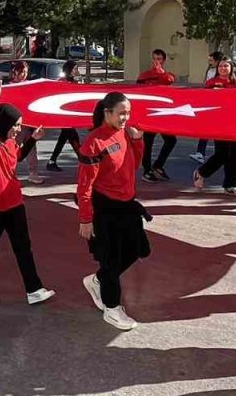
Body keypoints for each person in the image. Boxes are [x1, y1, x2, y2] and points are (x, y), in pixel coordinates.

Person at [0, 79, 54, 304]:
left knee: (23, 247)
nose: (19, 129)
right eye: (16, 124)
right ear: (4, 123)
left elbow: (18, 157)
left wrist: (32, 140)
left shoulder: (10, 143)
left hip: (14, 204)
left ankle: (34, 289)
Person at [77, 92, 148, 331]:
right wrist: (86, 219)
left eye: (128, 112)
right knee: (111, 260)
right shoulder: (93, 143)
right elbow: (84, 185)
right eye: (121, 113)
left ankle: (97, 281)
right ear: (107, 113)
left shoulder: (126, 133)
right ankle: (111, 308)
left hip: (126, 205)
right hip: (104, 209)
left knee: (136, 250)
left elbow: (134, 165)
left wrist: (138, 140)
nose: (125, 117)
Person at [193, 56, 236, 196]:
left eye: (226, 66)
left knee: (234, 155)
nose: (223, 68)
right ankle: (201, 172)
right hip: (218, 123)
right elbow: (204, 102)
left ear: (231, 68)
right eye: (221, 66)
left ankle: (230, 185)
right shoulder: (211, 83)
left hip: (234, 123)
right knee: (222, 153)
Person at [136, 49, 178, 182]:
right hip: (148, 113)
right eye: (154, 59)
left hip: (162, 114)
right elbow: (137, 92)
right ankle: (147, 170)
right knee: (148, 142)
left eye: (159, 59)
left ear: (164, 60)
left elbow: (170, 81)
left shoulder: (167, 75)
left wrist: (161, 73)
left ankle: (158, 165)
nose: (156, 61)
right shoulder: (144, 75)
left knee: (171, 140)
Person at [7, 61, 47, 185]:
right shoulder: (9, 86)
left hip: (29, 123)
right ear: (15, 72)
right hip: (16, 124)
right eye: (22, 71)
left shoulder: (29, 85)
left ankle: (33, 173)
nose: (24, 74)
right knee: (13, 150)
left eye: (26, 72)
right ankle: (10, 174)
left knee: (32, 149)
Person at [45, 60, 83, 172]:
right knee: (73, 137)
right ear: (70, 70)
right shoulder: (62, 81)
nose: (77, 70)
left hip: (70, 116)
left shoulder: (75, 82)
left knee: (64, 138)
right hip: (63, 116)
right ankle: (83, 160)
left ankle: (52, 161)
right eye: (75, 68)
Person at [189, 51, 224, 164]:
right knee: (206, 129)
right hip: (209, 103)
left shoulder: (220, 72)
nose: (209, 62)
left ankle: (214, 153)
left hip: (217, 105)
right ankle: (201, 152)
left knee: (213, 130)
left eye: (211, 60)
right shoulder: (210, 70)